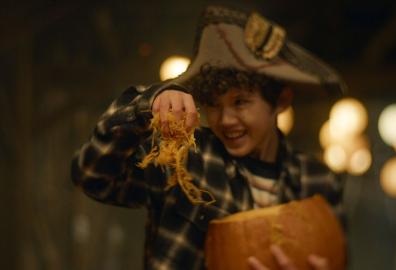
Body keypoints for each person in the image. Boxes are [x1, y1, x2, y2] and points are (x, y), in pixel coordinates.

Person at [71, 5, 346, 270]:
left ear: (281, 101)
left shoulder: (319, 181)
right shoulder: (185, 159)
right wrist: (148, 104)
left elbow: (338, 258)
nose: (225, 120)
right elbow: (92, 175)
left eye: (240, 102)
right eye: (213, 104)